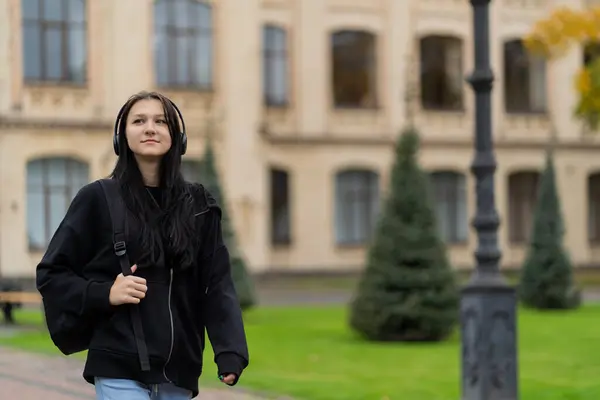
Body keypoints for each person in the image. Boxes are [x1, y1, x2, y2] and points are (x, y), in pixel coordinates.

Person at [36, 91, 249, 400]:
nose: (150, 128)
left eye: (161, 121)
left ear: (178, 137)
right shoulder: (97, 198)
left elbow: (216, 283)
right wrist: (106, 292)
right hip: (117, 364)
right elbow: (51, 274)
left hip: (179, 371)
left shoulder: (199, 205)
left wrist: (229, 350)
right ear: (121, 137)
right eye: (139, 121)